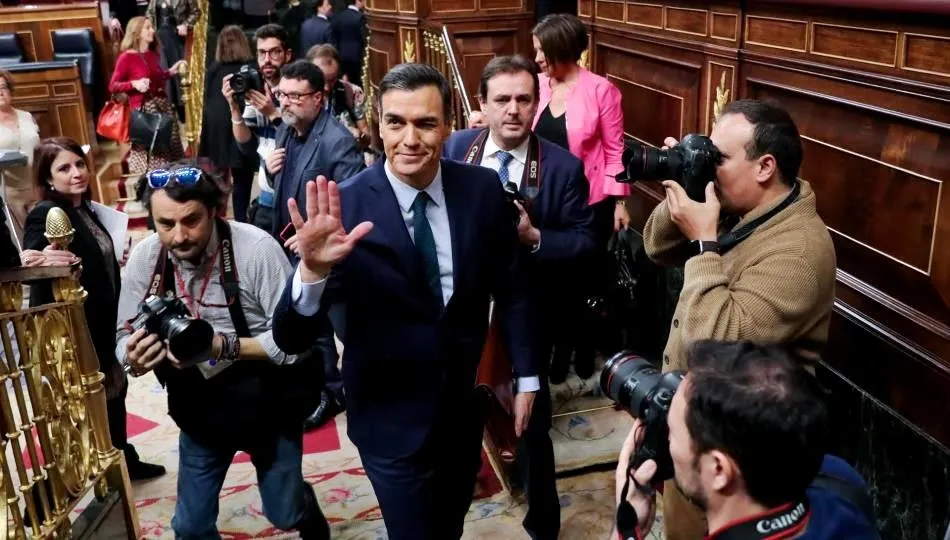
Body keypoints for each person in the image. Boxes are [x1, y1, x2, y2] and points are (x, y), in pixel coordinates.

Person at [271, 63, 538, 540]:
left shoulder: (480, 190)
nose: (410, 138)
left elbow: (512, 287)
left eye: (425, 123)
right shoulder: (343, 207)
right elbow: (289, 337)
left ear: (448, 126)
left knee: (448, 528)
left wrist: (527, 374)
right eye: (396, 122)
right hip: (387, 422)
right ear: (379, 126)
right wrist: (312, 270)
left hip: (460, 417)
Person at [643, 99, 837, 539]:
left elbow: (715, 345)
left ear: (765, 166)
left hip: (739, 471)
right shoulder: (744, 207)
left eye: (720, 159)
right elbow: (655, 246)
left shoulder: (799, 252)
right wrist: (687, 182)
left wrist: (706, 242)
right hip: (699, 432)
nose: (710, 168)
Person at [116, 165, 329, 538]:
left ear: (215, 210)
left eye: (191, 221)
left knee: (284, 512)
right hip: (199, 410)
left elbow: (294, 348)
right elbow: (122, 337)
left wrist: (221, 346)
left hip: (269, 404)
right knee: (190, 527)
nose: (179, 236)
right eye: (165, 224)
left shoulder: (256, 250)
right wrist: (132, 357)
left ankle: (303, 509)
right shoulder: (146, 259)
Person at [443, 54, 597, 540]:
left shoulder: (563, 167)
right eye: (502, 99)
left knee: (530, 422)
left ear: (537, 103)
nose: (513, 110)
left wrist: (534, 238)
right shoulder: (456, 148)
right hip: (464, 306)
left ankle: (543, 525)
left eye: (523, 99)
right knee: (457, 410)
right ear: (483, 105)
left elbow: (586, 243)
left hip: (529, 309)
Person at [614, 340, 878, 539]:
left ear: (718, 469)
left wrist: (625, 530)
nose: (665, 439)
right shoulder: (841, 480)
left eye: (671, 430)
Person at [24, 138, 164, 481]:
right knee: (86, 398)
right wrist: (40, 256)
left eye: (79, 165)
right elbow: (32, 257)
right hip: (76, 324)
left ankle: (121, 457)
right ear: (47, 179)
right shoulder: (47, 212)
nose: (76, 173)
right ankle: (90, 468)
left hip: (103, 316)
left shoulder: (84, 209)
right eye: (64, 168)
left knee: (114, 389)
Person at [227, 23, 291, 233]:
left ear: (287, 55)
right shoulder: (256, 89)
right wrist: (235, 109)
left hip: (293, 194)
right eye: (262, 53)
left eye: (274, 52)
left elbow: (305, 137)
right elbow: (246, 146)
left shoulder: (298, 90)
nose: (267, 60)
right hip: (266, 197)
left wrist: (273, 113)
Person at [109, 16, 187, 174]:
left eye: (151, 27)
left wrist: (170, 72)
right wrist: (134, 84)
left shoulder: (152, 54)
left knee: (172, 148)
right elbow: (113, 85)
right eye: (148, 28)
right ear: (137, 33)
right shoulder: (127, 57)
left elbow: (156, 78)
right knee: (157, 155)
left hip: (163, 105)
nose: (152, 31)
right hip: (146, 109)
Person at [199, 25, 260, 222]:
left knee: (217, 179)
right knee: (242, 177)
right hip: (239, 121)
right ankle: (242, 220)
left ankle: (215, 219)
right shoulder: (250, 68)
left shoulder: (213, 69)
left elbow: (206, 99)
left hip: (216, 125)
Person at [0, 70, 41, 247]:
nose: (0, 93)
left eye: (3, 87)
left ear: (10, 90)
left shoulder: (26, 116)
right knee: (24, 243)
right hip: (10, 191)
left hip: (37, 185)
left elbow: (39, 146)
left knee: (43, 236)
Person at [307, 44, 370, 150]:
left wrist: (360, 136)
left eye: (332, 80)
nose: (327, 87)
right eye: (322, 80)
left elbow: (367, 137)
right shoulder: (300, 96)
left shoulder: (352, 92)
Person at [145, 0, 200, 120]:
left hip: (176, 36)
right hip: (159, 36)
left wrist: (186, 25)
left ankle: (184, 113)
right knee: (164, 70)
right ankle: (168, 111)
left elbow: (196, 12)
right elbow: (149, 14)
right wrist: (150, 29)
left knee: (179, 72)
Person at [330, 0, 366, 86]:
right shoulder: (360, 17)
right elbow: (363, 38)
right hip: (357, 57)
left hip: (341, 55)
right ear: (358, 1)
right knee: (357, 83)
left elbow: (333, 37)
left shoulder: (339, 16)